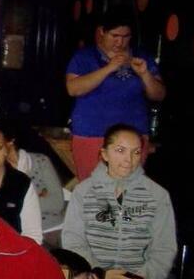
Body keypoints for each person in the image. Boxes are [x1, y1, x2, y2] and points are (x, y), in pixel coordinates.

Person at [62, 124, 177, 279]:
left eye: (135, 152)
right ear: (104, 153)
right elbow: (73, 242)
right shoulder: (84, 192)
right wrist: (99, 273)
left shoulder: (157, 195)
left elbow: (163, 250)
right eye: (120, 150)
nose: (129, 160)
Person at [66, 13, 165, 181]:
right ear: (101, 32)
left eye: (126, 37)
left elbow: (159, 95)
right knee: (94, 190)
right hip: (92, 134)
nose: (120, 42)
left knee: (128, 191)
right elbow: (73, 89)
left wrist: (144, 74)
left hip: (133, 135)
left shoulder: (141, 56)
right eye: (115, 36)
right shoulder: (84, 57)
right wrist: (108, 68)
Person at [4, 126, 66, 232]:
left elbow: (57, 203)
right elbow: (5, 212)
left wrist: (20, 202)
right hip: (23, 234)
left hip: (56, 227)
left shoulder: (40, 161)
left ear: (10, 141)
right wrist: (38, 197)